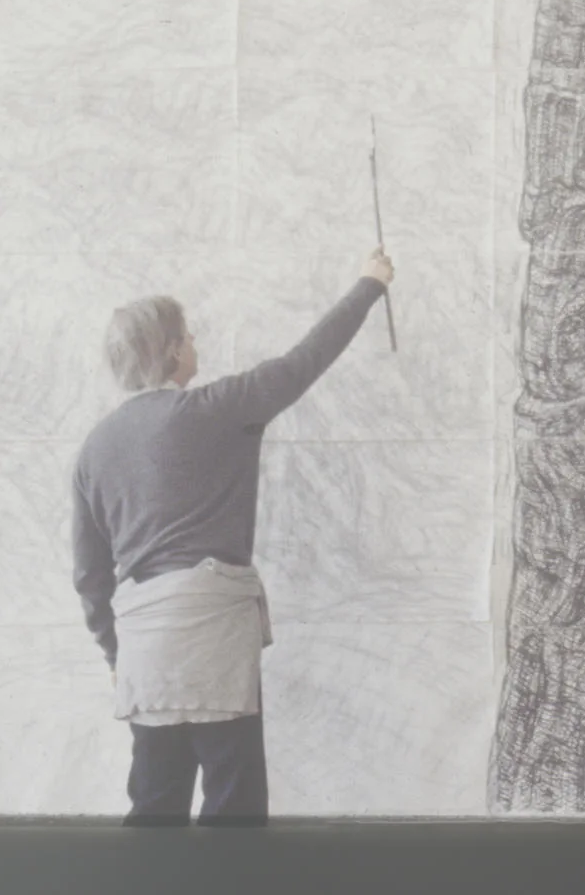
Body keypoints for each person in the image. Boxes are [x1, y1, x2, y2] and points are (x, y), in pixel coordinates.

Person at [71, 248, 395, 825]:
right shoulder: (218, 408)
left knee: (153, 803)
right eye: (189, 336)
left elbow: (90, 576)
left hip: (143, 643)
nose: (195, 344)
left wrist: (113, 652)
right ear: (172, 350)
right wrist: (369, 284)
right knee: (233, 804)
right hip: (215, 629)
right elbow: (303, 362)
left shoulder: (94, 449)